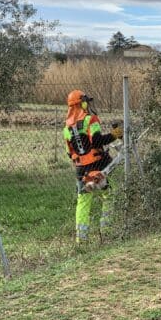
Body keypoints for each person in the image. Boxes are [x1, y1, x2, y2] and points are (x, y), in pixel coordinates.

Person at [63, 89, 123, 243]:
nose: (88, 104)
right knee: (109, 194)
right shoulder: (91, 120)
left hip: (81, 170)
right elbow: (97, 141)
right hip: (99, 164)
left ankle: (81, 239)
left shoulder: (67, 128)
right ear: (80, 103)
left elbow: (70, 153)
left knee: (83, 202)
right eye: (85, 101)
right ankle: (107, 230)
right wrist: (115, 134)